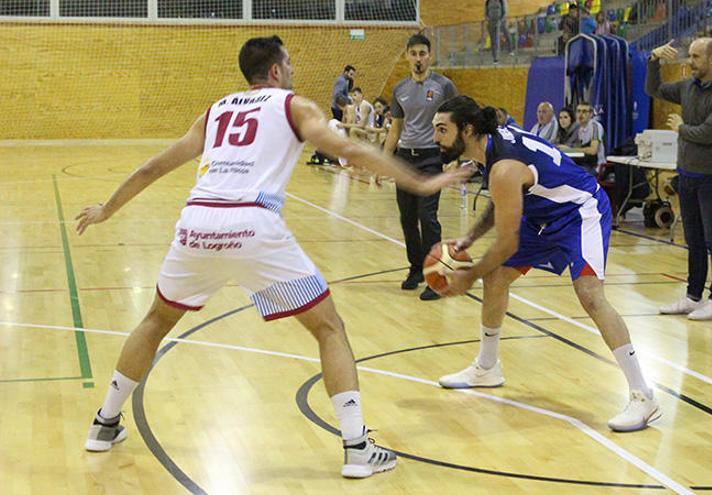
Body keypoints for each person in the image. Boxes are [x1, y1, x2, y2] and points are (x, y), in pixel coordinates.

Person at [77, 35, 471, 479]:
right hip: (252, 225)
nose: (293, 70)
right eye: (290, 63)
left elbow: (155, 166)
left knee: (154, 321)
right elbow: (352, 150)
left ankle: (104, 422)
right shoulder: (293, 105)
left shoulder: (216, 111)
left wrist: (107, 208)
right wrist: (420, 183)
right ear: (277, 71)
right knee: (329, 328)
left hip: (197, 224)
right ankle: (357, 447)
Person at [431, 95, 660, 433]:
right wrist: (470, 239)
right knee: (495, 278)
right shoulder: (490, 148)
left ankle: (644, 395)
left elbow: (508, 240)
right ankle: (487, 368)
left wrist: (469, 275)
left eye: (441, 129)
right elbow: (503, 203)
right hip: (541, 215)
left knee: (590, 295)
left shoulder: (503, 166)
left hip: (579, 211)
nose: (435, 137)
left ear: (466, 130)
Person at [648, 38, 712, 321]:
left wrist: (681, 128)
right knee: (695, 240)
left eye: (696, 56)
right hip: (687, 173)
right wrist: (654, 61)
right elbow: (653, 89)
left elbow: (708, 133)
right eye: (690, 55)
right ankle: (692, 296)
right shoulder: (688, 86)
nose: (690, 61)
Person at [383, 33, 460, 301]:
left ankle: (435, 277)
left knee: (427, 217)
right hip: (405, 158)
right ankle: (416, 269)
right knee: (407, 218)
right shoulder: (400, 89)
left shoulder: (444, 86)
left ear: (430, 56)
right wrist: (384, 160)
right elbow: (395, 129)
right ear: (407, 56)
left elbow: (456, 122)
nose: (418, 58)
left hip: (431, 158)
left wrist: (454, 157)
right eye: (413, 53)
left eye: (422, 53)